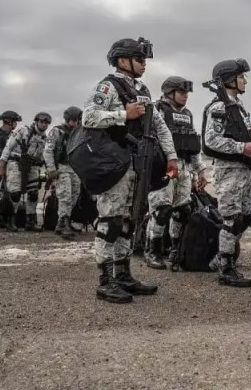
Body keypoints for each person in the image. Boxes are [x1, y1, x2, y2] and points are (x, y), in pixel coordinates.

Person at [82, 37, 177, 304]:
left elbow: (159, 125)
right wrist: (124, 114)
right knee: (110, 221)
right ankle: (105, 279)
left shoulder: (143, 90)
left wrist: (171, 156)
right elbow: (88, 116)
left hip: (137, 163)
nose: (144, 64)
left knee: (129, 220)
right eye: (139, 59)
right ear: (123, 60)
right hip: (113, 163)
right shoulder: (108, 86)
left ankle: (123, 274)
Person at [202, 58, 251, 288]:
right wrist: (241, 147)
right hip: (228, 170)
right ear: (229, 79)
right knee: (232, 218)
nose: (245, 81)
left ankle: (221, 258)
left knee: (245, 216)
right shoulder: (219, 107)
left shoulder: (237, 106)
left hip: (242, 170)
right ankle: (225, 267)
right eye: (241, 77)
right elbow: (211, 139)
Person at [143, 76, 206, 270]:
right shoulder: (157, 109)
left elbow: (192, 145)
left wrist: (200, 170)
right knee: (161, 210)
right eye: (182, 92)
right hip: (163, 165)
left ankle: (175, 250)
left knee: (182, 211)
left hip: (184, 167)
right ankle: (151, 250)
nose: (186, 96)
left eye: (187, 93)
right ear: (170, 93)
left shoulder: (187, 114)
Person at [0, 112, 51, 231]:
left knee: (33, 194)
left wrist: (49, 171)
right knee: (15, 194)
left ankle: (30, 221)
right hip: (16, 163)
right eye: (42, 122)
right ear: (36, 121)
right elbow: (8, 147)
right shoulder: (23, 131)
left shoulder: (45, 138)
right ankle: (11, 221)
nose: (44, 124)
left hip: (32, 166)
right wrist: (1, 166)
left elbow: (46, 156)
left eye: (46, 123)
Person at [44, 106, 83, 240]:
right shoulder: (57, 131)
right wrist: (51, 169)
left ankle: (61, 222)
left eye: (76, 120)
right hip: (61, 166)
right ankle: (65, 222)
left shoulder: (79, 132)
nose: (74, 123)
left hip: (75, 167)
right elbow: (48, 150)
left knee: (75, 194)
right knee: (65, 195)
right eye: (72, 120)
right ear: (67, 119)